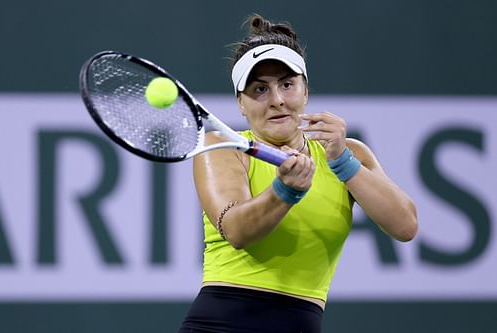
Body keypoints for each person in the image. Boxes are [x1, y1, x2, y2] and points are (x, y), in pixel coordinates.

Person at [179, 14, 418, 333]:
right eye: (259, 89)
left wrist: (342, 161)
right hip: (222, 324)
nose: (277, 100)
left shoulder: (351, 153)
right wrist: (285, 191)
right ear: (241, 104)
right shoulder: (223, 146)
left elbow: (405, 226)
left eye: (287, 85)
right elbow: (236, 230)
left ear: (305, 91)